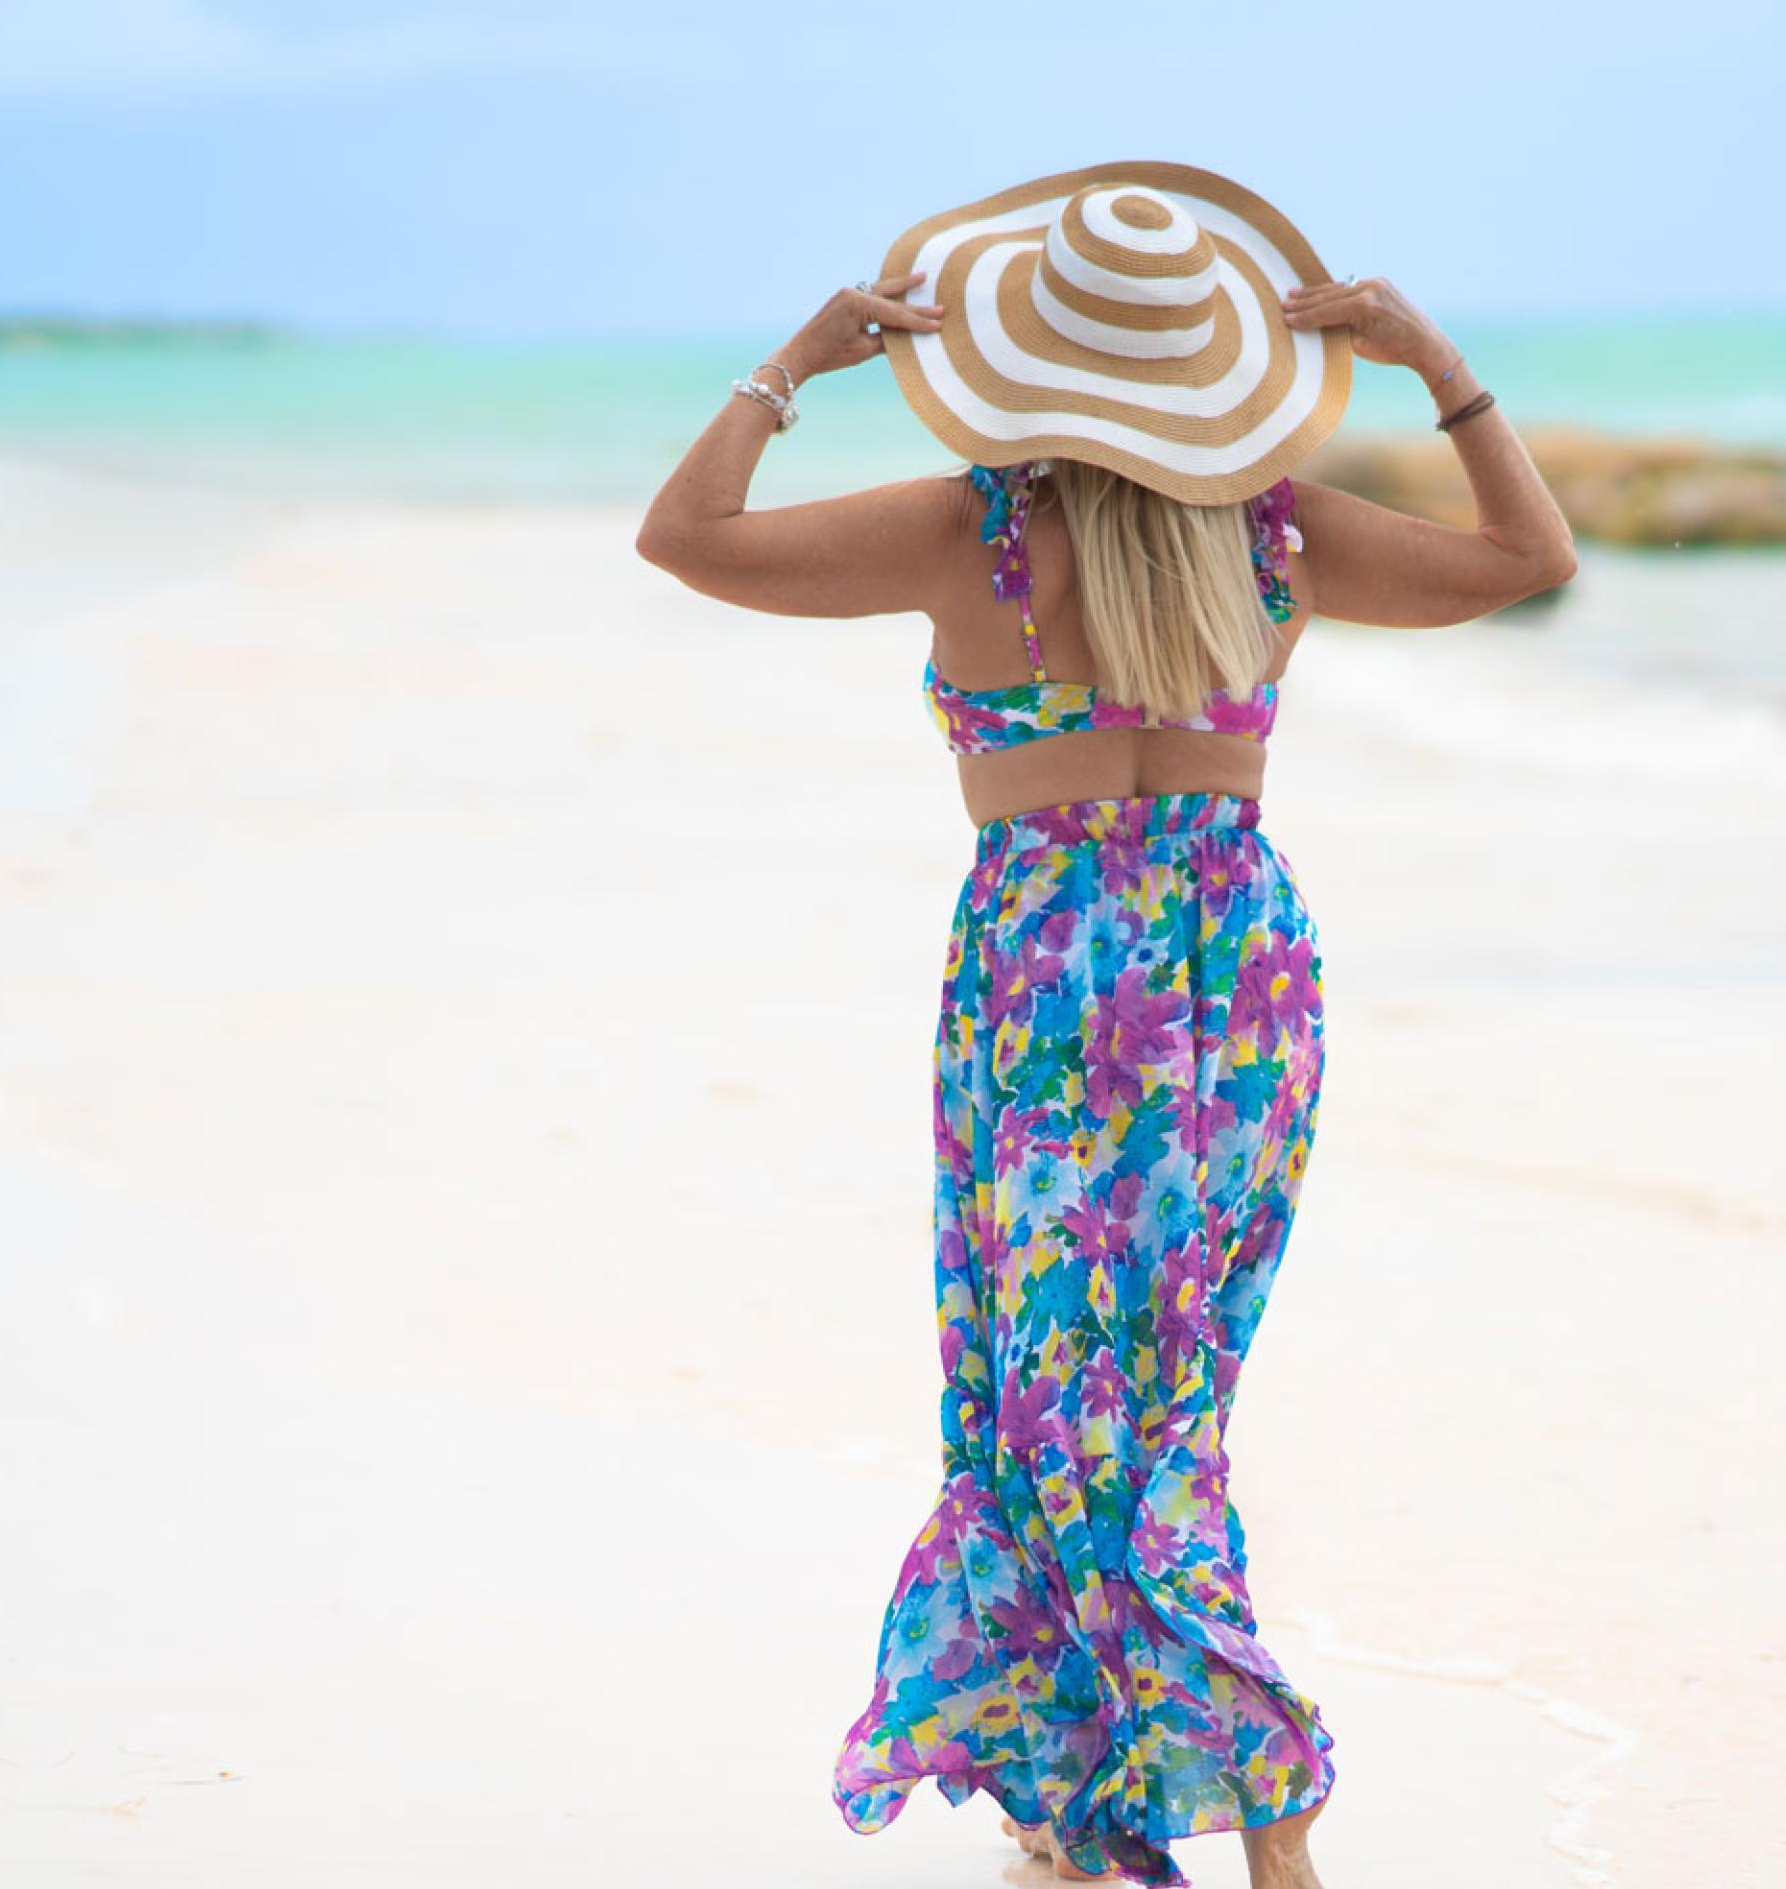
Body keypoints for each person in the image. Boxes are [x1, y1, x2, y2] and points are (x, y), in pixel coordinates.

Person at [636, 167, 1575, 1884]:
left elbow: (684, 539)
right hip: (1235, 976)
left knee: (1041, 1409)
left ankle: (1144, 1825)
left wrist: (790, 366)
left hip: (1048, 981)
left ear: (1018, 369)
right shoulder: (1275, 533)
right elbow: (1532, 557)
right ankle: (1124, 1829)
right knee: (1168, 1415)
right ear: (1216, 377)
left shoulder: (962, 533)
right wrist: (1441, 367)